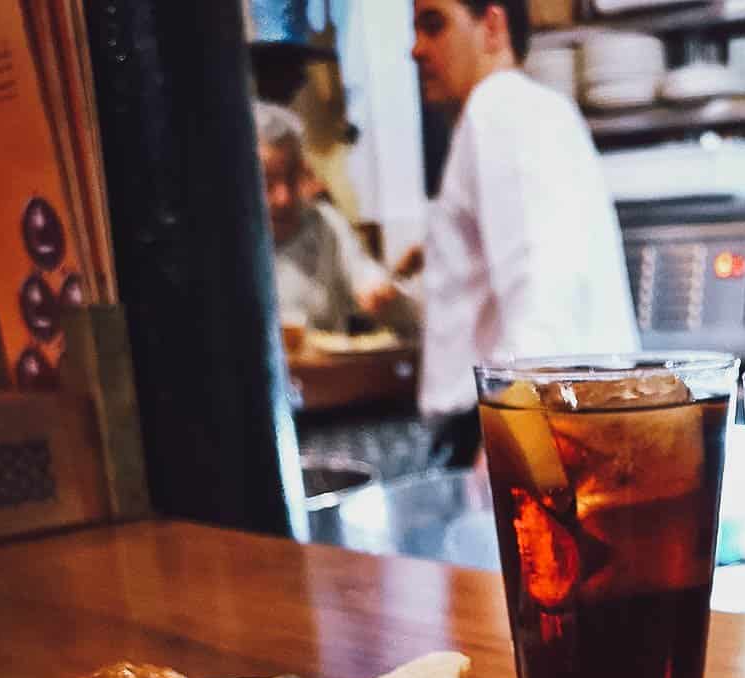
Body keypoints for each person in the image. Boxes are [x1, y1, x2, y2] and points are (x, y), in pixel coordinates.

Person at [412, 0, 638, 465]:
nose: (416, 49)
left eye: (434, 25)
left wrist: (508, 437)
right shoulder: (536, 110)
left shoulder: (499, 108)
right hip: (567, 415)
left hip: (523, 421)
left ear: (492, 26)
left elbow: (543, 281)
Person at [253, 101, 416, 336]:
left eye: (292, 177)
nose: (284, 198)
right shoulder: (219, 240)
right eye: (267, 182)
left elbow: (366, 278)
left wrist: (383, 294)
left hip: (323, 371)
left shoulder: (323, 223)